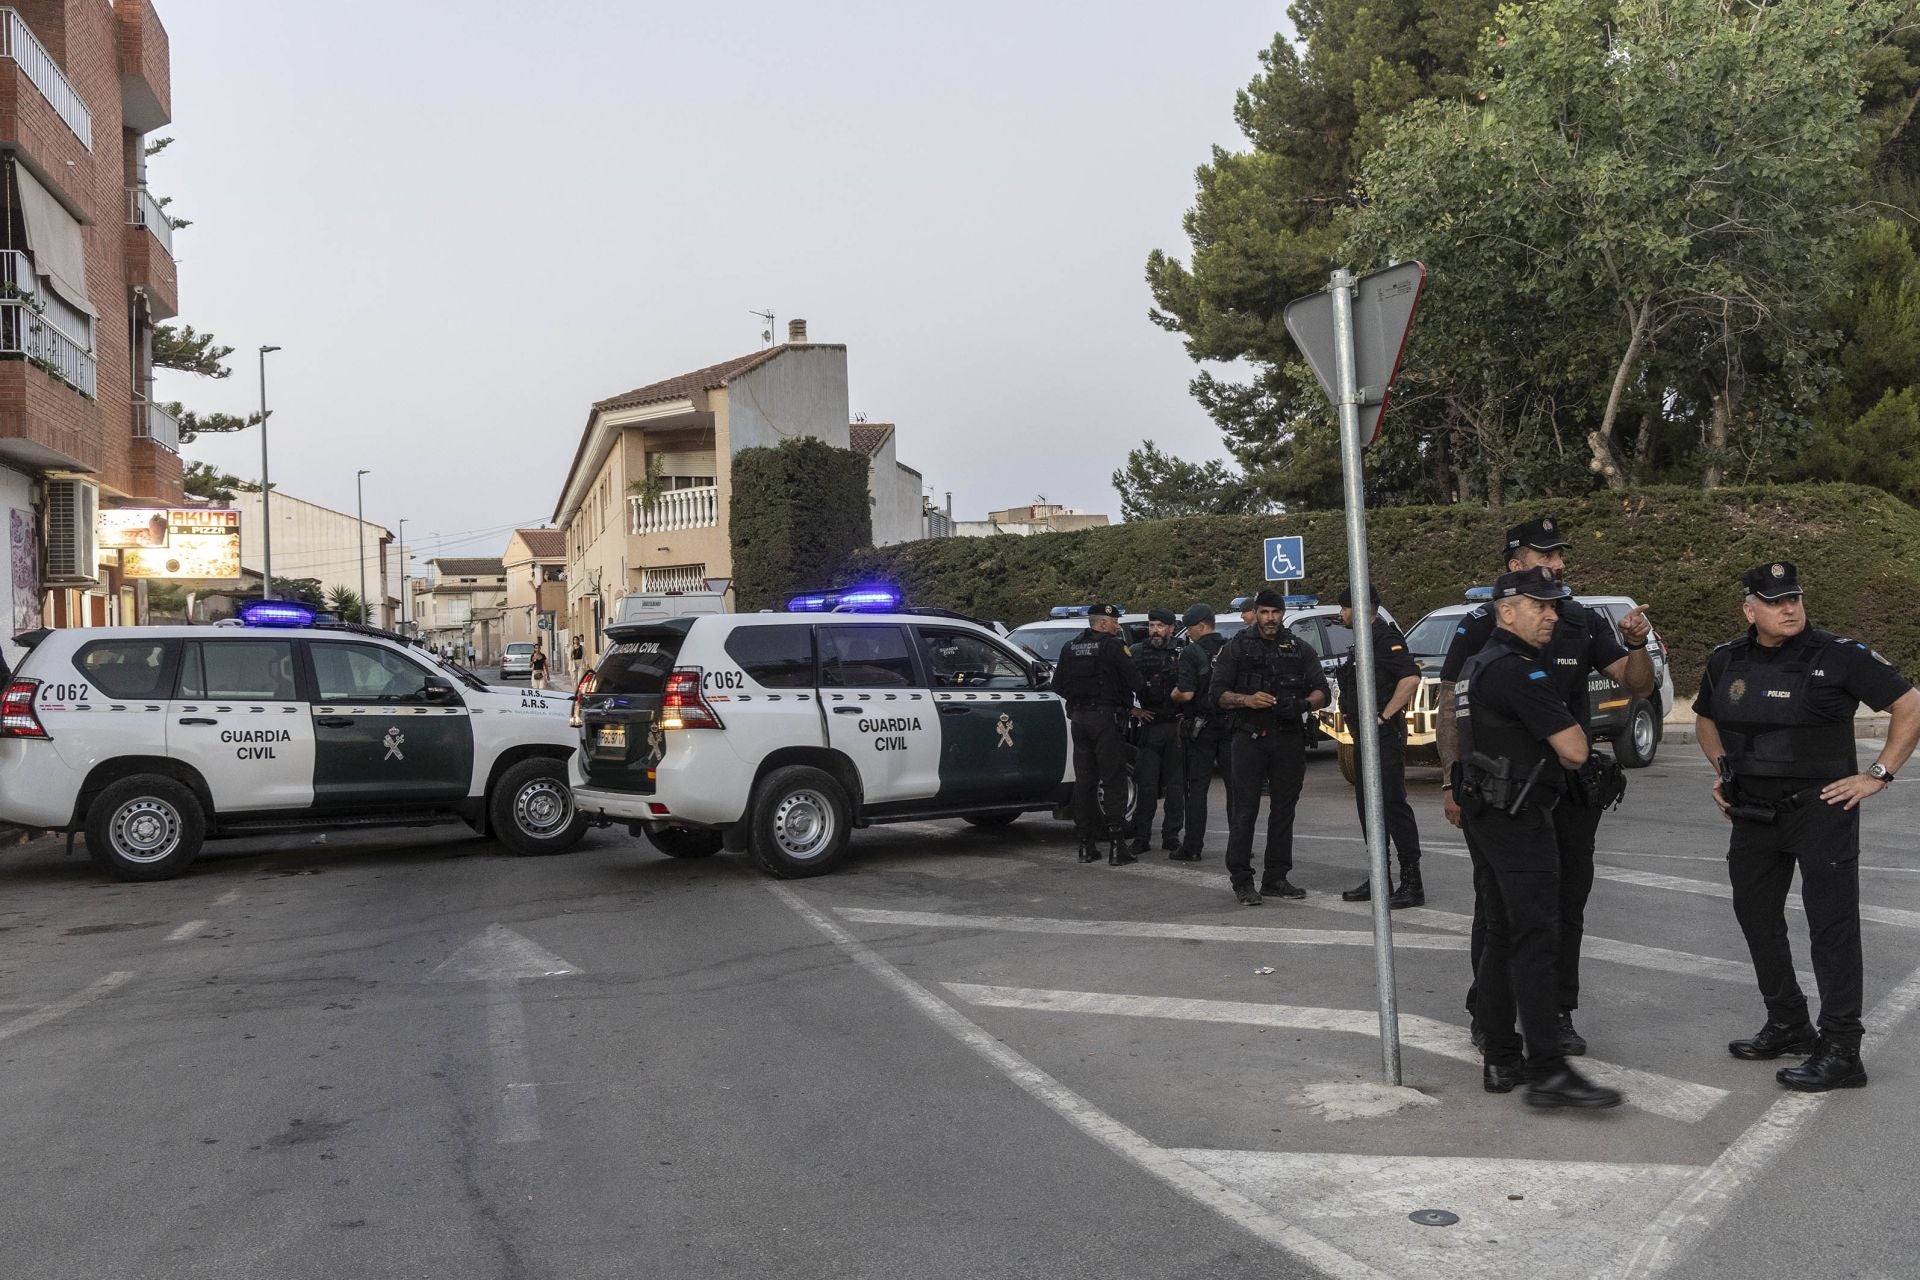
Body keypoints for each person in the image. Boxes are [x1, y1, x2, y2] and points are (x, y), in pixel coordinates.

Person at [1694, 561, 1920, 1091]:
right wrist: (1723, 768)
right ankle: (1788, 1021)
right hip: (1751, 813)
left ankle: (1842, 1048)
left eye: (1793, 598)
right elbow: (1706, 717)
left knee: (1832, 927)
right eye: (1774, 602)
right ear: (1750, 610)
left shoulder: (1839, 654)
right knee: (1755, 915)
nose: (1788, 608)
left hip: (1821, 809)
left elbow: (1909, 704)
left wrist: (1878, 774)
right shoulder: (1727, 658)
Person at [1438, 516, 1654, 1057]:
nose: (1558, 563)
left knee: (1567, 900)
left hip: (1569, 788)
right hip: (1503, 790)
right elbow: (1450, 704)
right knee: (1497, 907)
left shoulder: (1580, 620)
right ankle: (1491, 1015)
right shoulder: (1482, 625)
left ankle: (1556, 1011)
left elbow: (1635, 684)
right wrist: (1452, 780)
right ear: (1515, 567)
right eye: (1545, 555)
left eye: (1559, 554)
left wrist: (1637, 646)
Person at [1456, 567, 1622, 1109]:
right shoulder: (1518, 672)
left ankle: (1502, 1056)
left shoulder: (1483, 663)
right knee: (1536, 936)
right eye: (1540, 607)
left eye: (1554, 607)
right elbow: (1574, 750)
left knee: (1503, 933)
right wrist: (1581, 749)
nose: (1552, 615)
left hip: (1490, 808)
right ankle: (1548, 1069)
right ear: (1507, 611)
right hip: (1519, 816)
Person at [1212, 588, 1330, 904]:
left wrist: (1303, 704)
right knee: (1245, 810)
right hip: (1248, 737)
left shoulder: (1300, 648)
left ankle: (1276, 877)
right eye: (1263, 612)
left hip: (1288, 738)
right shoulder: (1236, 647)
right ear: (1256, 613)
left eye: (1275, 612)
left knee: (1284, 810)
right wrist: (1247, 700)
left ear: (1282, 614)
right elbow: (1218, 694)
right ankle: (1241, 880)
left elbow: (1323, 691)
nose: (1269, 619)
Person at [1335, 584, 1426, 908]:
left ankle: (1411, 882)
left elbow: (1410, 678)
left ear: (1358, 608)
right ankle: (1379, 877)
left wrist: (1385, 718)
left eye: (1344, 607)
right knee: (1367, 809)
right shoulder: (1364, 641)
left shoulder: (1385, 639)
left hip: (1383, 739)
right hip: (1363, 738)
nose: (1341, 613)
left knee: (1391, 806)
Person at [1050, 604, 1148, 866]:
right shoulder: (1112, 647)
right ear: (1103, 623)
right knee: (1113, 779)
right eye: (1115, 621)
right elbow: (1135, 681)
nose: (1117, 625)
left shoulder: (1070, 647)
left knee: (1085, 781)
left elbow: (1057, 684)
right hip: (1106, 720)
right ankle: (1117, 847)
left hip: (1079, 720)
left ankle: (1086, 845)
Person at [1171, 603, 1229, 861]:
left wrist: (1173, 694)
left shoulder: (1191, 652)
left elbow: (1186, 693)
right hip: (1231, 726)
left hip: (1201, 729)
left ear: (1200, 626)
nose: (1188, 634)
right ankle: (1241, 844)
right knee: (1237, 789)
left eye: (1190, 628)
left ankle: (1192, 846)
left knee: (1197, 789)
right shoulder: (1231, 648)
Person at [1128, 608, 1185, 855]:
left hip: (1176, 726)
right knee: (1147, 785)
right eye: (1151, 625)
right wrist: (1133, 711)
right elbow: (1119, 684)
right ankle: (1141, 837)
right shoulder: (1138, 652)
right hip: (1150, 726)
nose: (1155, 630)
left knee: (1175, 786)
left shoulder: (1183, 652)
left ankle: (1171, 835)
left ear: (1172, 628)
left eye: (1160, 625)